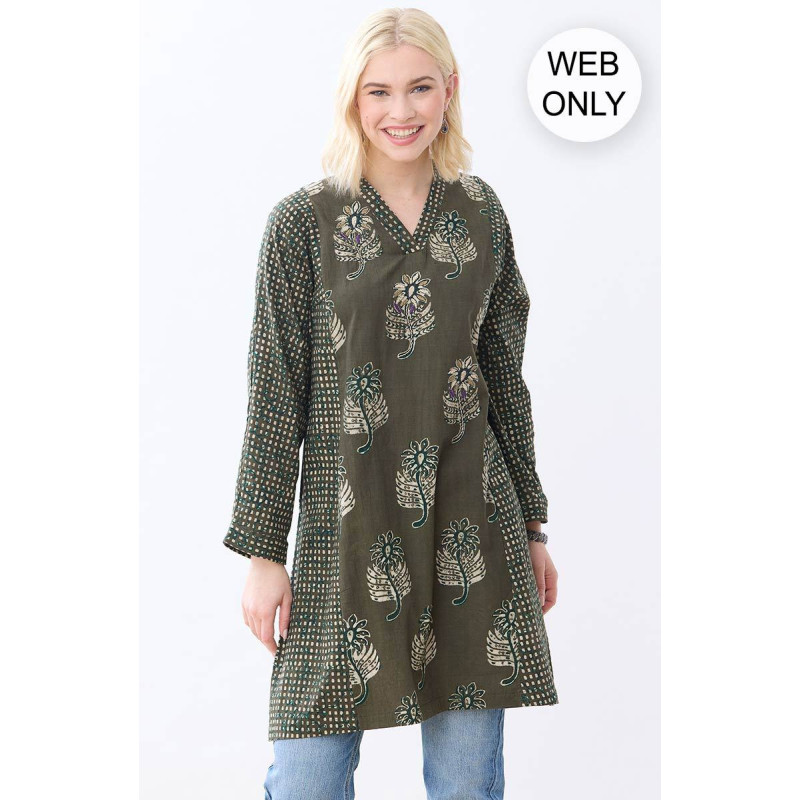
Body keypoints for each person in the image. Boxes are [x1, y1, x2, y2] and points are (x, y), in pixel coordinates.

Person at [223, 8, 560, 799]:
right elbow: (275, 391)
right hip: (341, 532)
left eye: (419, 88)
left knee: (468, 783)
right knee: (306, 779)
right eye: (379, 91)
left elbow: (504, 379)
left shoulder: (480, 213)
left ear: (450, 89)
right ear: (353, 97)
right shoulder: (302, 224)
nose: (400, 111)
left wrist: (534, 528)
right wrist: (265, 555)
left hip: (470, 520)